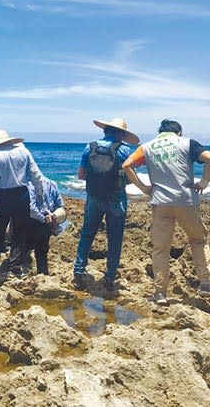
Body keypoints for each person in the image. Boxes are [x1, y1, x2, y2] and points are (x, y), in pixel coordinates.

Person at [122, 119, 210, 305]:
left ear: (160, 132)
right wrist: (204, 182)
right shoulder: (187, 143)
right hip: (186, 201)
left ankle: (160, 293)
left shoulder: (147, 147)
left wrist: (143, 188)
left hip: (160, 203)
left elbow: (127, 165)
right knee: (198, 240)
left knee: (160, 249)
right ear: (179, 132)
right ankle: (205, 283)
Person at [73, 118, 138, 291]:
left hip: (93, 197)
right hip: (116, 198)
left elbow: (81, 175)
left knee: (87, 234)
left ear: (105, 131)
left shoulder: (90, 147)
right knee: (115, 238)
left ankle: (78, 272)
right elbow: (131, 178)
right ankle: (110, 277)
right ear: (121, 134)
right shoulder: (125, 150)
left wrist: (97, 181)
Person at [0, 130, 46, 276]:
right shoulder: (23, 151)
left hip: (2, 196)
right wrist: (40, 192)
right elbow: (36, 174)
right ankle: (15, 267)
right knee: (19, 232)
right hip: (22, 194)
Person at [27, 176, 65, 275]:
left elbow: (31, 208)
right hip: (47, 223)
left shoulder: (29, 184)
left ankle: (24, 273)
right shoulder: (52, 183)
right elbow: (60, 206)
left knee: (24, 247)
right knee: (42, 252)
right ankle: (43, 275)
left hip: (34, 221)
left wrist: (42, 218)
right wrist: (54, 218)